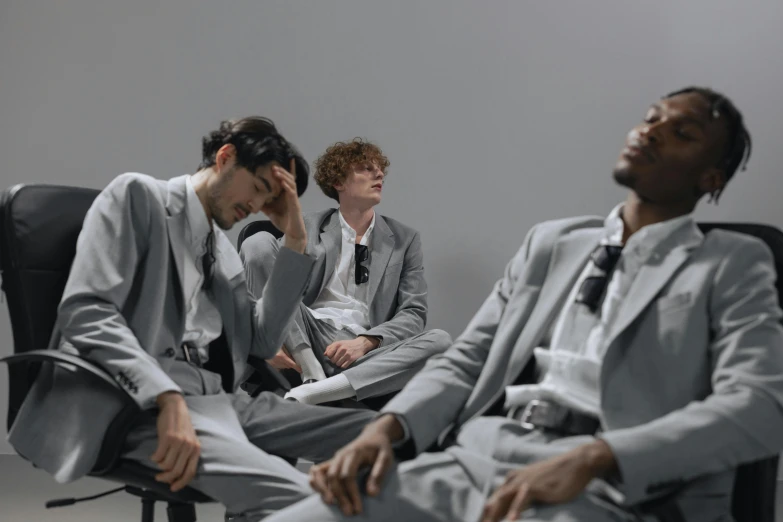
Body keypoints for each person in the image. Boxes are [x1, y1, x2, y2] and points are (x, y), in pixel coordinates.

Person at [266, 87, 783, 522]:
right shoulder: (552, 243)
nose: (651, 131)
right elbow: (471, 359)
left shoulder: (734, 262)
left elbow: (761, 404)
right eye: (651, 119)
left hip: (619, 491)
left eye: (682, 133)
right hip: (482, 456)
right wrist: (386, 427)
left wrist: (601, 458)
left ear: (711, 178)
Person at [7, 117, 377, 521]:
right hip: (133, 404)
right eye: (256, 189)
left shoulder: (220, 245)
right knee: (301, 500)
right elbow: (86, 313)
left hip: (218, 400)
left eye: (266, 200)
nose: (255, 207)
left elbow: (262, 342)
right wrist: (165, 397)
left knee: (386, 437)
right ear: (225, 157)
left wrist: (295, 240)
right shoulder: (138, 197)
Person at [241, 138, 451, 406]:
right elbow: (271, 284)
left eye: (379, 169)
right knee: (257, 242)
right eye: (365, 168)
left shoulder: (404, 239)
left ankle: (318, 391)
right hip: (305, 331)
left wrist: (365, 342)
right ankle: (310, 369)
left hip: (364, 354)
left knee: (440, 341)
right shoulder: (309, 226)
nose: (378, 174)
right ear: (339, 183)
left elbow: (414, 312)